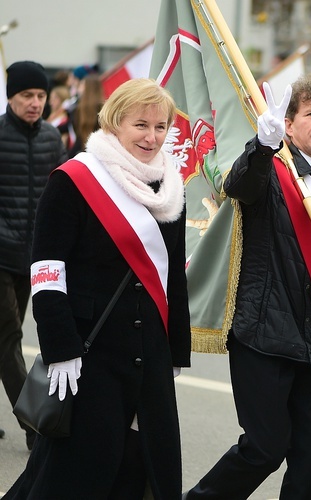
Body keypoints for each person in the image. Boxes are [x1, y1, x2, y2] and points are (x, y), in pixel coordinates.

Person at [185, 74, 311, 499]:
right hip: (263, 336)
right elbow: (239, 186)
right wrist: (261, 146)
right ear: (289, 124)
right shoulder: (270, 170)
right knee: (264, 448)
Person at [5, 78, 190, 498]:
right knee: (75, 470)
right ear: (114, 123)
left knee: (143, 465)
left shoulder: (170, 188)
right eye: (140, 124)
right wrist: (59, 347)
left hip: (150, 352)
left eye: (161, 127)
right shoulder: (75, 178)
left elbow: (172, 275)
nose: (152, 136)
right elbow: (47, 269)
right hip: (90, 349)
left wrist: (175, 348)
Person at [0, 60, 66, 450]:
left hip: (33, 257)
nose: (35, 103)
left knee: (6, 337)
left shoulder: (51, 139)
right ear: (11, 96)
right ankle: (35, 427)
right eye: (27, 95)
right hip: (0, 254)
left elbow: (59, 198)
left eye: (41, 96)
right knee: (8, 338)